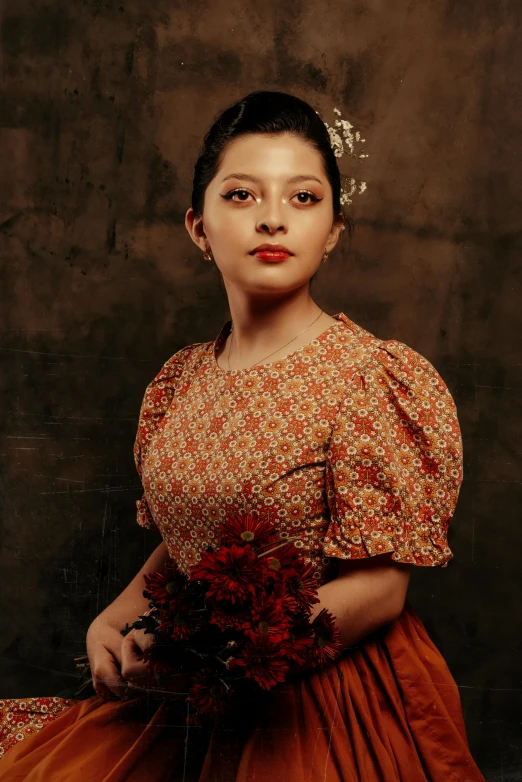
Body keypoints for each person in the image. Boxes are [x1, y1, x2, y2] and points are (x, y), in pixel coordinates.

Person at [0, 90, 485, 781]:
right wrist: (112, 619)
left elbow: (381, 587)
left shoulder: (370, 377)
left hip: (321, 696)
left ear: (335, 231)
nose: (273, 219)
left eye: (304, 198)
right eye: (241, 195)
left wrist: (230, 659)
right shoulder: (181, 381)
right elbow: (194, 537)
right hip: (193, 684)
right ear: (199, 229)